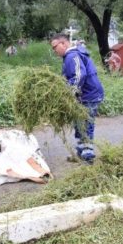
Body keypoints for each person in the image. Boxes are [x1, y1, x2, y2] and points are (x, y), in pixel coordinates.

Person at [50, 34, 104, 163]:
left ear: (63, 44)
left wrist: (69, 93)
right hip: (83, 95)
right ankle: (81, 152)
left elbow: (80, 75)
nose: (54, 50)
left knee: (85, 124)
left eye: (54, 47)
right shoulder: (70, 56)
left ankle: (88, 155)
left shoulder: (72, 56)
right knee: (79, 123)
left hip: (89, 95)